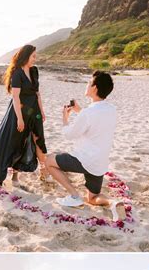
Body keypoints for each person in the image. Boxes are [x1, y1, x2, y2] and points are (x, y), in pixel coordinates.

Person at [44, 71, 117, 209]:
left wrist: (65, 118)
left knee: (49, 162)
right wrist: (80, 112)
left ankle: (74, 196)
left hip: (86, 160)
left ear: (94, 88)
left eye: (89, 83)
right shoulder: (111, 110)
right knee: (93, 198)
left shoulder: (88, 113)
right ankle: (111, 202)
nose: (87, 85)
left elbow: (69, 134)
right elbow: (95, 121)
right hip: (99, 163)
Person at [0, 44, 47, 185]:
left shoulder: (34, 71)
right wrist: (20, 119)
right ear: (26, 55)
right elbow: (15, 97)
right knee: (15, 142)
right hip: (20, 112)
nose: (35, 59)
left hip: (34, 112)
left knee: (36, 139)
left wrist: (41, 111)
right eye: (33, 56)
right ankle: (7, 176)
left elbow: (37, 93)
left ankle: (39, 172)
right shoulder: (17, 73)